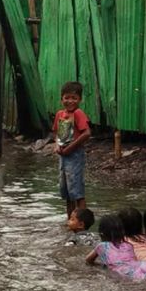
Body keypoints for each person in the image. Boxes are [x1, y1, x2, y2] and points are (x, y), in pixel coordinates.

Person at [54, 81, 91, 219]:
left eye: (74, 98)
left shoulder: (78, 113)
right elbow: (56, 133)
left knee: (77, 191)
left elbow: (86, 133)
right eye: (67, 98)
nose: (70, 101)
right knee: (67, 192)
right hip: (63, 156)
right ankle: (71, 220)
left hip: (75, 155)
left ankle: (83, 223)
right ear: (61, 98)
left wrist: (70, 147)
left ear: (80, 100)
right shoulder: (60, 114)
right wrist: (57, 146)